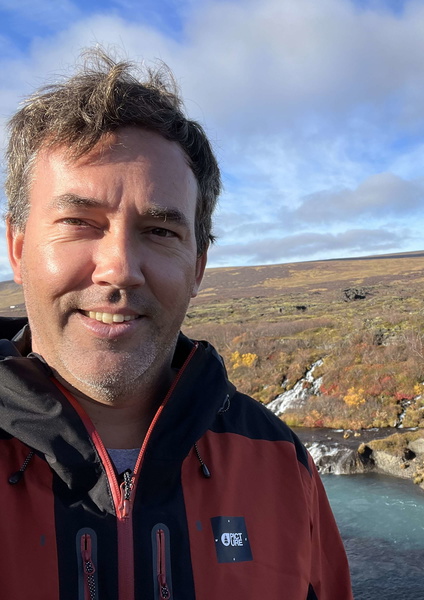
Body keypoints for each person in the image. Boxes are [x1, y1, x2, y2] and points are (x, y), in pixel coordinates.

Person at [0, 49, 353, 600]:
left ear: (198, 267)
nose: (119, 268)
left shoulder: (281, 464)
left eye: (161, 231)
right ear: (18, 249)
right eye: (78, 222)